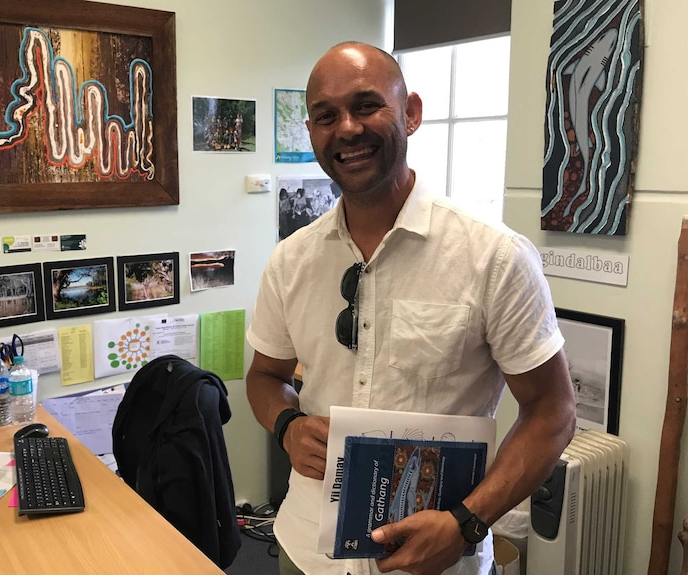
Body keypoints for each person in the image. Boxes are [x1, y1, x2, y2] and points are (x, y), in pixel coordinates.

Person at [245, 41, 576, 575]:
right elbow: (263, 376)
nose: (347, 129)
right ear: (311, 134)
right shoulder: (291, 260)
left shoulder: (493, 256)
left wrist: (468, 522)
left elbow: (553, 412)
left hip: (440, 559)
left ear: (411, 113)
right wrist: (285, 423)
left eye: (366, 105)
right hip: (306, 551)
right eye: (326, 116)